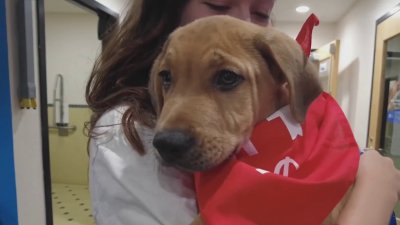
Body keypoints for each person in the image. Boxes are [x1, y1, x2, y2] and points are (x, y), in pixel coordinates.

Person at [85, 0, 400, 224]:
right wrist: (374, 194)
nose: (243, 24)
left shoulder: (300, 126)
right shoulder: (128, 132)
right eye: (219, 6)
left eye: (262, 12)